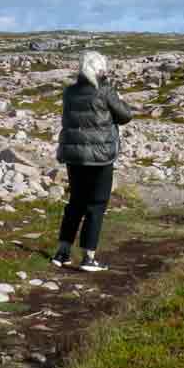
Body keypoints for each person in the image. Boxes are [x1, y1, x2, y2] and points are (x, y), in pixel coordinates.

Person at [53, 50, 132, 272]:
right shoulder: (105, 90)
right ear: (100, 68)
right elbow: (125, 115)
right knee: (96, 205)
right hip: (100, 156)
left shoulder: (69, 92)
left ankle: (62, 252)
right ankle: (89, 257)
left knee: (75, 203)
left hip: (74, 155)